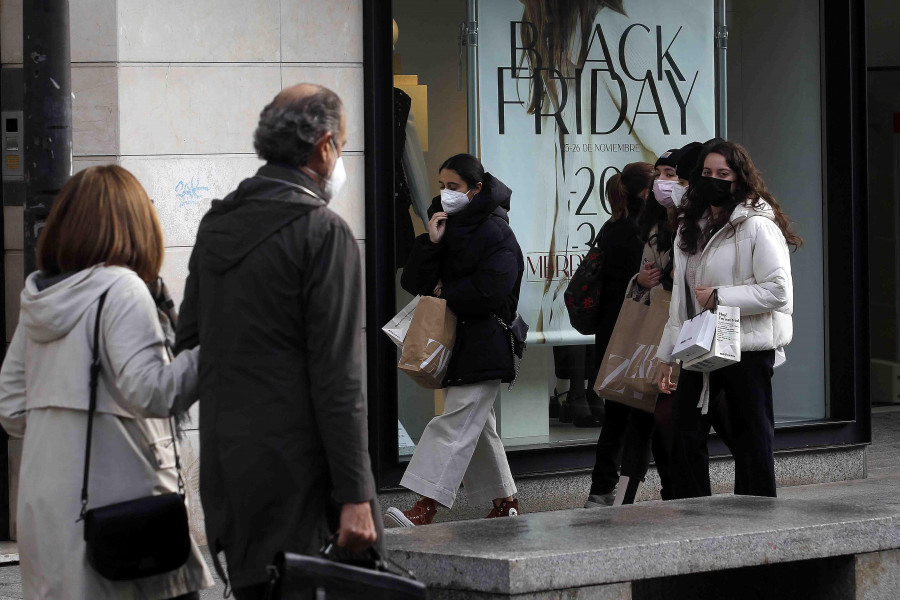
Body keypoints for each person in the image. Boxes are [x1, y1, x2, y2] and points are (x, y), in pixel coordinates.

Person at [175, 84, 378, 599]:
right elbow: (339, 379)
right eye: (344, 145)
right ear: (325, 145)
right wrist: (356, 495)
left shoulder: (216, 224)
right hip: (304, 483)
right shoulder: (323, 233)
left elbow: (192, 347)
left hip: (229, 475)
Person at [0, 165, 213, 599]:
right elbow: (154, 392)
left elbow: (12, 410)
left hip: (48, 513)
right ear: (135, 226)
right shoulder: (122, 289)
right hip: (127, 513)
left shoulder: (39, 297)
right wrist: (212, 350)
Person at [384, 154, 524, 527]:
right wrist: (431, 243)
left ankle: (425, 506)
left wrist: (447, 291)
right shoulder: (444, 225)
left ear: (476, 189)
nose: (446, 194)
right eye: (442, 186)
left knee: (454, 423)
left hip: (486, 342)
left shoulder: (497, 233)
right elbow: (414, 282)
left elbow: (493, 290)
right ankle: (505, 502)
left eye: (454, 187)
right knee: (477, 428)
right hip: (455, 343)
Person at [656, 140, 800, 499]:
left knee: (752, 439)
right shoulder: (692, 225)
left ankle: (756, 521)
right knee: (683, 435)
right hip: (699, 346)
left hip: (746, 348)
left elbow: (779, 290)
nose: (714, 180)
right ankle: (695, 517)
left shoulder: (756, 224)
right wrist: (666, 355)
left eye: (723, 173)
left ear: (740, 178)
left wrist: (720, 298)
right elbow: (681, 299)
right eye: (707, 173)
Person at [585, 162, 654, 507]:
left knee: (615, 419)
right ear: (645, 191)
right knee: (641, 417)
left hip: (611, 335)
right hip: (638, 334)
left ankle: (600, 491)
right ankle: (623, 493)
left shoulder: (611, 227)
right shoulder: (642, 231)